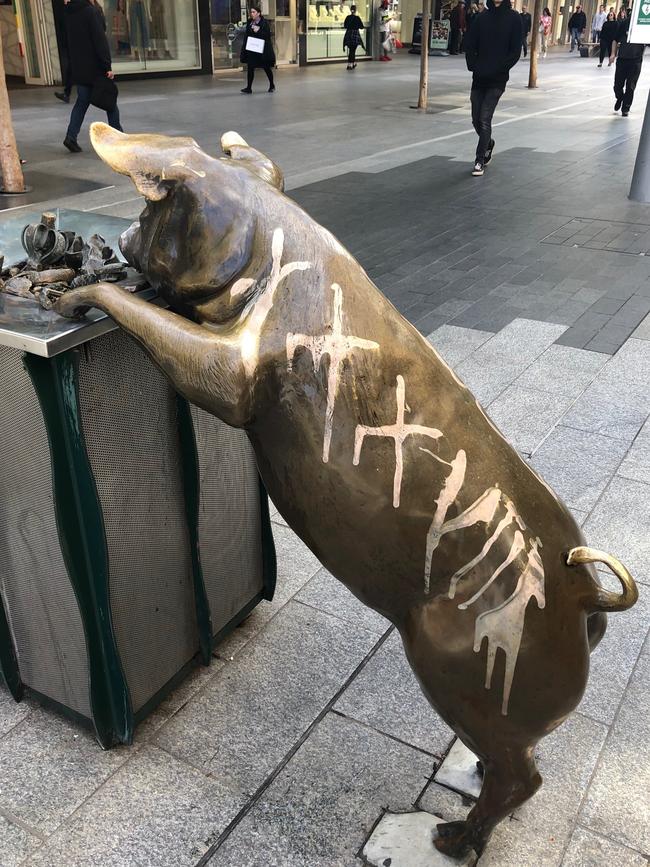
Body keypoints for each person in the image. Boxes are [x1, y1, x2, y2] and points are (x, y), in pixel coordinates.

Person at [464, 0, 522, 177]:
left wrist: (501, 68)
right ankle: (488, 142)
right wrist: (473, 65)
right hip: (479, 77)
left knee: (484, 118)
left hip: (497, 78)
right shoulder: (482, 18)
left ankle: (479, 160)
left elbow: (515, 50)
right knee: (475, 118)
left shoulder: (514, 18)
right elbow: (470, 42)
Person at [62, 0, 121, 153]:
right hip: (95, 67)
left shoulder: (69, 13)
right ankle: (119, 137)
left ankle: (71, 136)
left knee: (81, 103)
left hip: (80, 67)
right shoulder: (90, 11)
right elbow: (99, 40)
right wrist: (106, 65)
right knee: (110, 101)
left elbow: (68, 42)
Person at [610, 9, 644, 116]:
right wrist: (613, 54)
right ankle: (620, 98)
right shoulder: (624, 23)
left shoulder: (643, 26)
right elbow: (615, 39)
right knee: (617, 86)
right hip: (622, 59)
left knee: (630, 86)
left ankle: (626, 108)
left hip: (636, 60)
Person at [240, 5, 276, 93]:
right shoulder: (250, 22)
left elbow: (267, 35)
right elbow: (247, 34)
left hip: (262, 49)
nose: (252, 14)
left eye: (254, 12)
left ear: (258, 13)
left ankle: (272, 84)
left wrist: (258, 31)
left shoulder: (264, 23)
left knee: (266, 67)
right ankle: (249, 87)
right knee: (250, 67)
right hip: (252, 48)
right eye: (251, 12)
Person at [343, 4, 364, 68]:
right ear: (355, 10)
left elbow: (345, 26)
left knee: (351, 50)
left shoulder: (347, 17)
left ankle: (353, 63)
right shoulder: (357, 18)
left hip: (348, 34)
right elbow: (361, 27)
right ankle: (350, 64)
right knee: (353, 50)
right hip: (355, 35)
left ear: (350, 10)